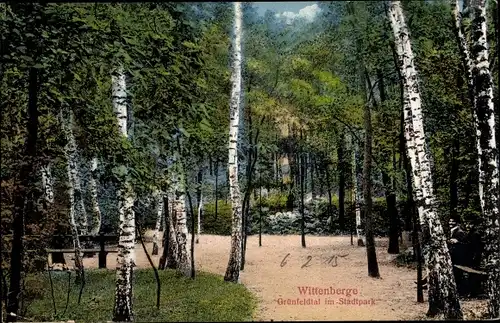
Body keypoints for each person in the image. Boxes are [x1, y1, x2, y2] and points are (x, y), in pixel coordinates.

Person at [448, 218, 468, 297]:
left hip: (458, 256)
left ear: (457, 223)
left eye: (453, 221)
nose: (451, 223)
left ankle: (461, 292)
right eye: (450, 221)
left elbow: (465, 245)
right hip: (453, 255)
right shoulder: (452, 231)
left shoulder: (460, 232)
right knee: (455, 273)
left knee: (458, 274)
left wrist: (457, 242)